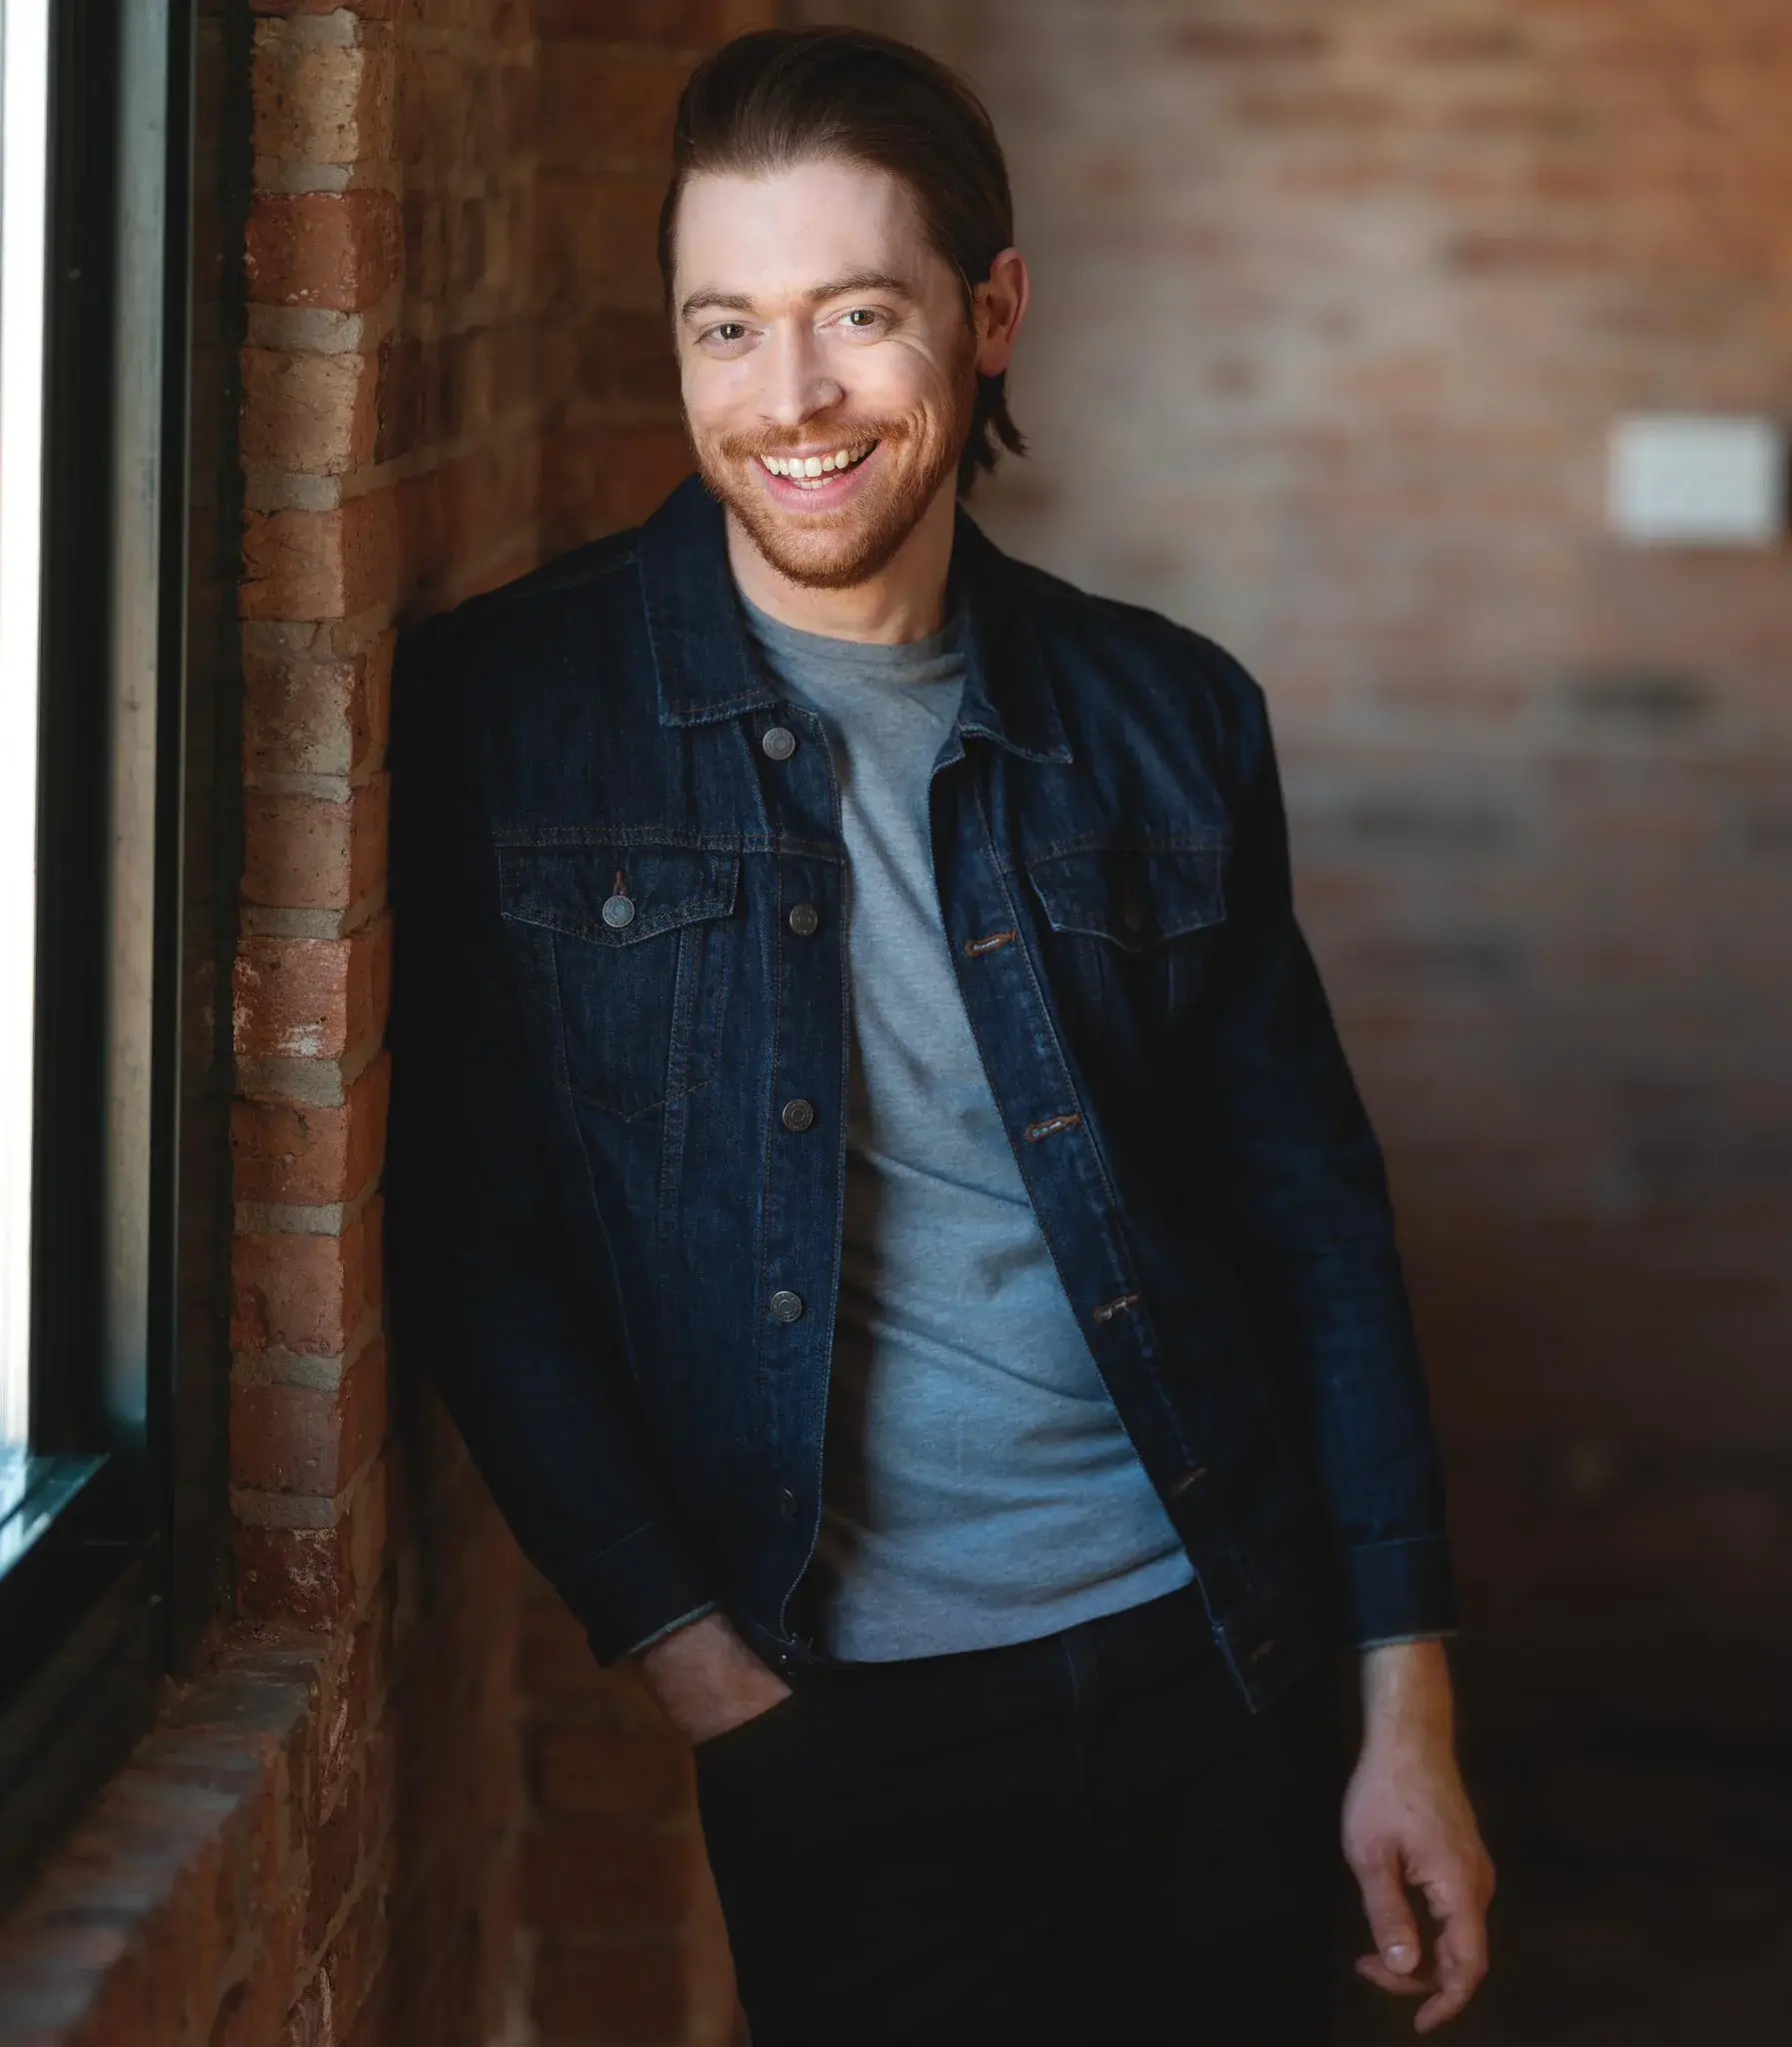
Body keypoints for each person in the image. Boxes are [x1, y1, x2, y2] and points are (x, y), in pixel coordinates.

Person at [389, 26, 1493, 2045]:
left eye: (856, 316)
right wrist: (702, 1671)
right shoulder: (509, 720)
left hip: (1218, 1658)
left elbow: (1314, 1225)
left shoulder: (1166, 718)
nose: (787, 400)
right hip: (847, 1728)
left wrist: (1400, 1704)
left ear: (990, 317)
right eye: (725, 325)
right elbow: (482, 1250)